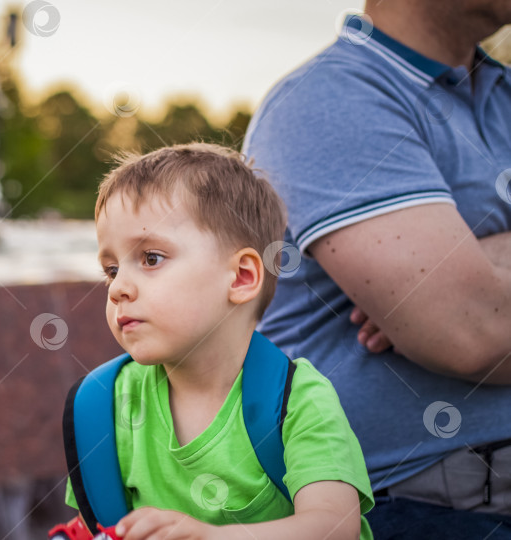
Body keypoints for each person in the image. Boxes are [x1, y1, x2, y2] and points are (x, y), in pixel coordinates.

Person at [242, 0, 511, 537]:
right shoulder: (329, 101)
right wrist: (468, 296)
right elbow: (476, 333)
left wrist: (477, 260)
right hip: (418, 508)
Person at [61, 143, 374, 539]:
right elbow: (96, 526)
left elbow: (334, 527)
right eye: (110, 268)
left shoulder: (298, 401)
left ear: (241, 277)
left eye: (151, 258)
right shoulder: (103, 407)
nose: (118, 287)